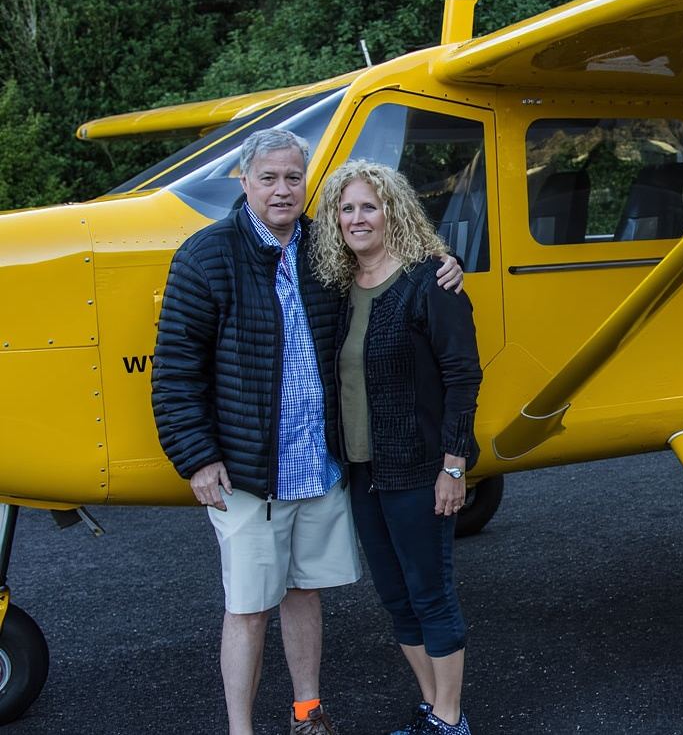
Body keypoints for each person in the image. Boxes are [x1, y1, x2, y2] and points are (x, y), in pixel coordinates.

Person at [151, 129, 462, 735]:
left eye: (294, 177)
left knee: (304, 594)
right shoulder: (205, 255)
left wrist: (442, 264)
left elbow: (389, 257)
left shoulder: (326, 248)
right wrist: (197, 456)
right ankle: (240, 728)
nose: (282, 189)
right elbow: (175, 369)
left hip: (318, 466)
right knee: (247, 607)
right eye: (268, 177)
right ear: (244, 182)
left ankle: (307, 713)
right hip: (248, 471)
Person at [311, 160, 481, 735]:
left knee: (430, 592)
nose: (357, 218)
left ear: (394, 211)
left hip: (419, 468)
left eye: (369, 206)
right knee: (394, 595)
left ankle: (450, 719)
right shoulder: (338, 288)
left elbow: (463, 376)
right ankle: (435, 709)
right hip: (363, 471)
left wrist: (453, 467)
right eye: (346, 207)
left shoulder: (430, 280)